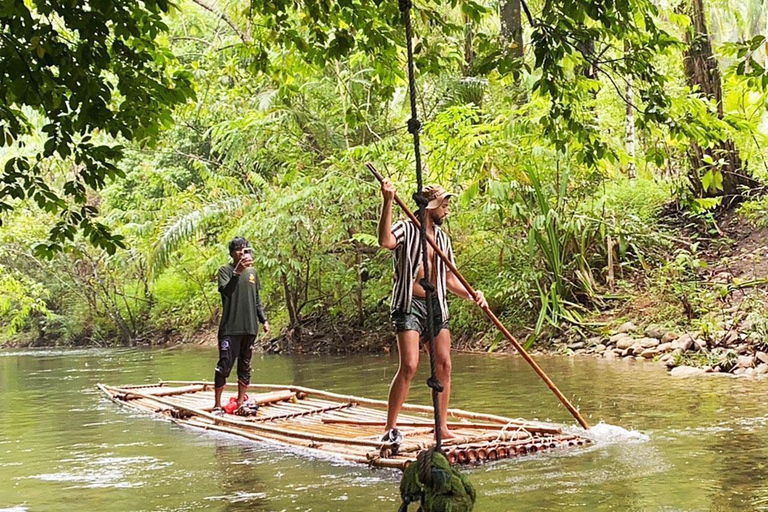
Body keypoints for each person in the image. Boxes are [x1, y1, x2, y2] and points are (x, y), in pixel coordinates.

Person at [377, 181, 488, 442]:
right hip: (409, 305)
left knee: (444, 365)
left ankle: (441, 426)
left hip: (435, 304)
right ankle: (389, 427)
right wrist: (388, 201)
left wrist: (473, 295)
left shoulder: (442, 240)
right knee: (410, 366)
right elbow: (384, 241)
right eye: (444, 205)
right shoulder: (406, 228)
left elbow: (449, 279)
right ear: (431, 207)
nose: (447, 210)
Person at [213, 236, 270, 413]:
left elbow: (256, 299)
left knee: (245, 366)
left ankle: (239, 402)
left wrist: (264, 319)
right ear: (232, 253)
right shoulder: (225, 270)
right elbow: (226, 291)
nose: (242, 252)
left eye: (244, 249)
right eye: (238, 249)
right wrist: (237, 272)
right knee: (225, 365)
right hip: (230, 328)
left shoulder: (252, 272)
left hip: (249, 327)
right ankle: (217, 404)